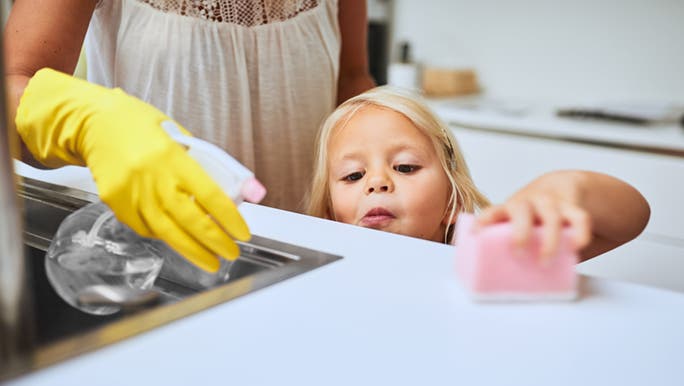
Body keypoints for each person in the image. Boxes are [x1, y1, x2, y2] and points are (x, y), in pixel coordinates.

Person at [5, 0, 375, 272]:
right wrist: (85, 121)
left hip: (312, 266)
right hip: (151, 271)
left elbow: (352, 78)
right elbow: (13, 84)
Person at [307, 86, 651, 261]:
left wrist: (560, 189)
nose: (377, 182)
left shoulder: (481, 249)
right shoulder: (322, 262)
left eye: (405, 167)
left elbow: (632, 217)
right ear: (328, 213)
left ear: (450, 201)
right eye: (353, 175)